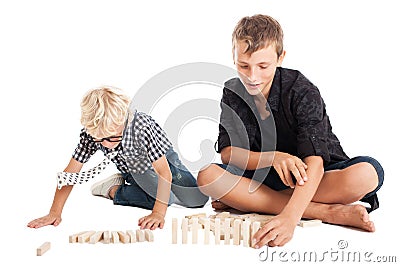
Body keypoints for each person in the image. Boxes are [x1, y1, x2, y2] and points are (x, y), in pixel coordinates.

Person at [197, 14, 384, 248]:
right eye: (243, 65)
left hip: (316, 177)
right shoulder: (232, 91)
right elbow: (228, 153)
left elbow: (315, 161)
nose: (252, 77)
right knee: (207, 177)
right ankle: (327, 212)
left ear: (280, 57)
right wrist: (273, 158)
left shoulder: (301, 90)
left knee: (367, 174)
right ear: (233, 57)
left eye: (263, 66)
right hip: (263, 176)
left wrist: (290, 218)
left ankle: (255, 201)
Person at [28, 86, 208, 230]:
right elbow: (70, 174)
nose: (106, 144)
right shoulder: (91, 134)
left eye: (113, 137)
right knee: (166, 200)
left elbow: (164, 172)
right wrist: (54, 212)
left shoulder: (140, 126)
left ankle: (140, 190)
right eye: (100, 139)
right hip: (135, 169)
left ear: (123, 121)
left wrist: (158, 214)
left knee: (198, 200)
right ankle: (114, 189)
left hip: (163, 160)